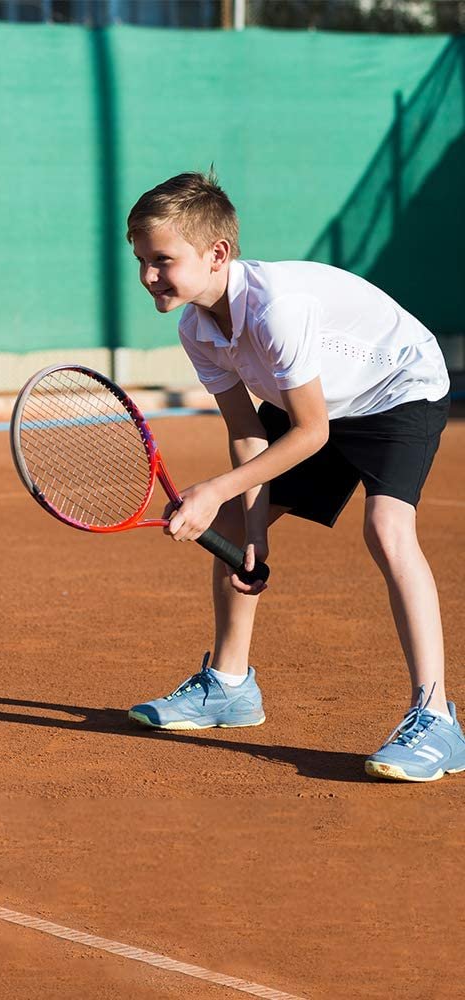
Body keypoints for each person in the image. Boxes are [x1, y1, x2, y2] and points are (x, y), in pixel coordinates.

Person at [124, 170, 462, 782]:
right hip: (314, 396)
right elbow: (247, 431)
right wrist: (251, 529)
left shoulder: (277, 310)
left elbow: (311, 434)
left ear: (217, 253)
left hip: (396, 389)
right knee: (231, 520)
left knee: (387, 527)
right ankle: (229, 686)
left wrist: (218, 488)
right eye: (142, 260)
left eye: (162, 260)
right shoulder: (196, 328)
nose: (148, 275)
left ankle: (437, 717)